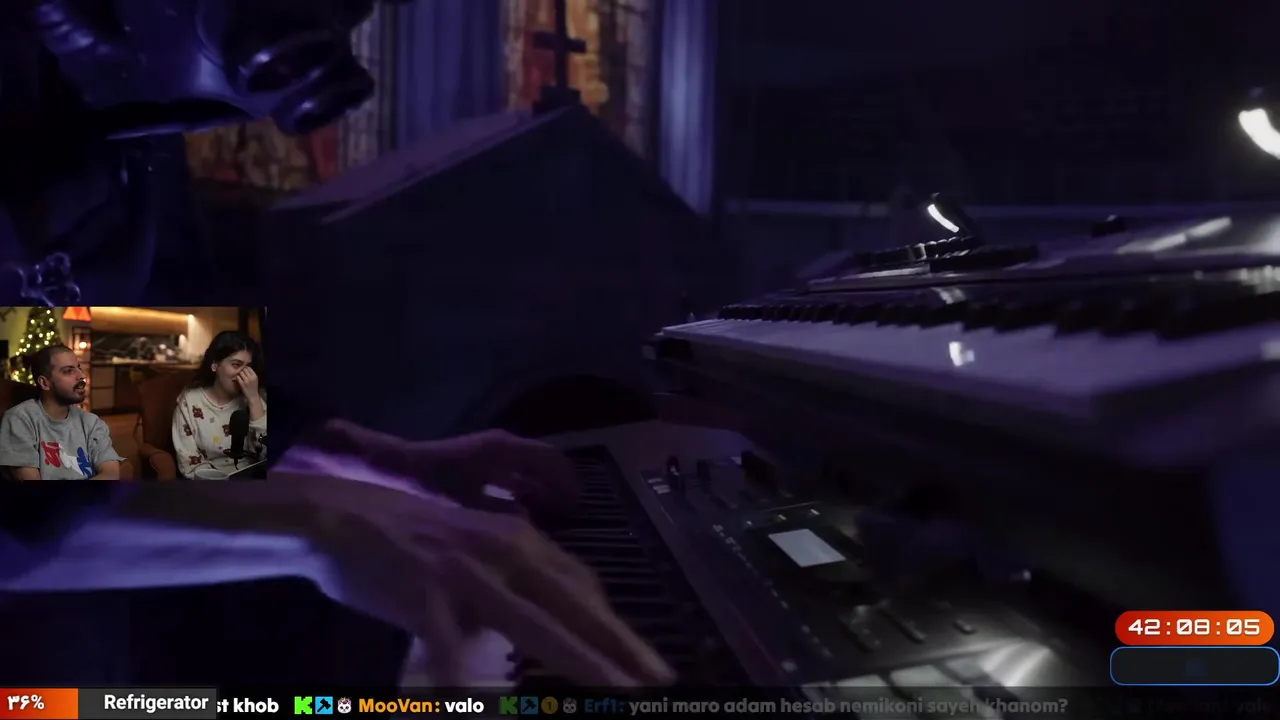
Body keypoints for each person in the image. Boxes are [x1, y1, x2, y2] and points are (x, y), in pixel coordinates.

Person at [0, 344, 126, 479]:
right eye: (68, 371)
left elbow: (111, 473)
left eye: (78, 368)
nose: (82, 375)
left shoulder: (91, 422)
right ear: (44, 383)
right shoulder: (20, 420)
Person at [172, 331, 266, 478]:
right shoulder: (189, 403)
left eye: (248, 367)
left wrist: (254, 399)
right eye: (236, 365)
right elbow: (189, 461)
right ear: (215, 365)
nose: (243, 374)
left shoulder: (254, 397)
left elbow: (266, 455)